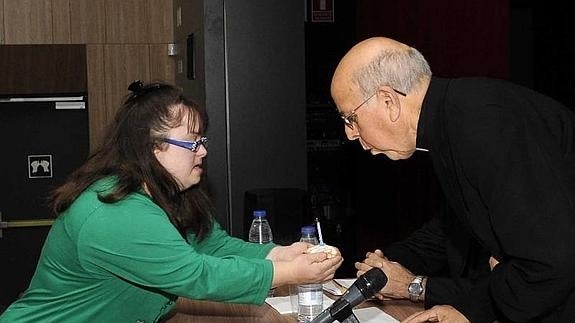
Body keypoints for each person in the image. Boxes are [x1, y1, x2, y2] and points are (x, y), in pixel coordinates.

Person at [0, 80, 343, 322]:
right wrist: (286, 272)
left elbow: (214, 247)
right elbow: (195, 275)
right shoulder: (114, 210)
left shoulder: (169, 196)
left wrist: (280, 253)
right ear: (152, 147)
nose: (203, 151)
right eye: (193, 142)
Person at [330, 37, 575, 323]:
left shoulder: (483, 124)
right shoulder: (454, 118)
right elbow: (452, 227)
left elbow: (551, 262)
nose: (350, 133)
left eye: (350, 118)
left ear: (388, 100)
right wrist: (390, 264)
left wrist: (471, 311)